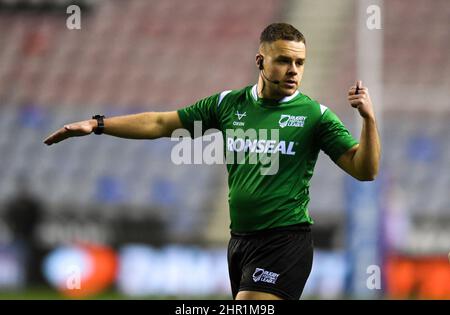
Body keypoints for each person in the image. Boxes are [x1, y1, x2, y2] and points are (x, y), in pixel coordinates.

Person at [44, 23, 381, 300]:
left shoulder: (314, 116)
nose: (293, 70)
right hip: (241, 241)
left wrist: (368, 121)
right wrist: (98, 124)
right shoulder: (226, 105)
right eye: (283, 61)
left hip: (285, 239)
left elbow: (365, 170)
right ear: (260, 61)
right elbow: (161, 123)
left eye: (300, 63)